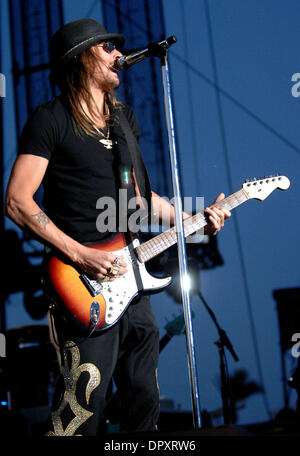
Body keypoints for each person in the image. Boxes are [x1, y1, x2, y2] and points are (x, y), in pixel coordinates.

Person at [5, 18, 231, 436]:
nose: (117, 55)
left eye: (115, 47)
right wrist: (81, 254)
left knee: (144, 397)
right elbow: (17, 201)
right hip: (80, 282)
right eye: (106, 47)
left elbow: (140, 201)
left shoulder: (124, 119)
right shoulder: (50, 119)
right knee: (82, 403)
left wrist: (195, 221)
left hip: (132, 282)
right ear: (81, 58)